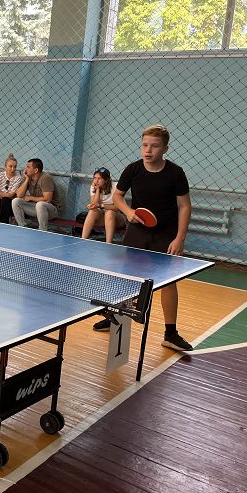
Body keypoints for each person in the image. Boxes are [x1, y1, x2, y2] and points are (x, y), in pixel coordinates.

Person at [111, 124, 193, 352]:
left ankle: (170, 334)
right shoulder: (133, 169)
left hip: (166, 233)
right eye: (145, 145)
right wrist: (128, 212)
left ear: (165, 148)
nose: (148, 150)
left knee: (168, 282)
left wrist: (180, 238)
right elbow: (117, 196)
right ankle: (117, 319)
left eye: (154, 146)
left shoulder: (175, 173)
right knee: (127, 277)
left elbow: (185, 206)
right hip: (137, 230)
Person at [11, 158, 59, 230]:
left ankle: (42, 230)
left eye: (28, 167)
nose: (25, 169)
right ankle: (22, 227)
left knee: (40, 204)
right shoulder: (28, 177)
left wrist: (30, 198)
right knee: (16, 201)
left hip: (51, 210)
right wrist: (27, 179)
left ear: (36, 170)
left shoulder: (46, 178)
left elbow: (48, 199)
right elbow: (19, 195)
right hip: (36, 207)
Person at [81, 167, 125, 243]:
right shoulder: (94, 187)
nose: (96, 181)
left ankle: (108, 244)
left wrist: (101, 206)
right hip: (104, 219)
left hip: (118, 219)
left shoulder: (116, 187)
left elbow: (117, 208)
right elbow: (94, 205)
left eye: (99, 178)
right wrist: (97, 190)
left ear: (106, 180)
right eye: (95, 178)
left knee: (109, 212)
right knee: (92, 211)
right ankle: (82, 240)